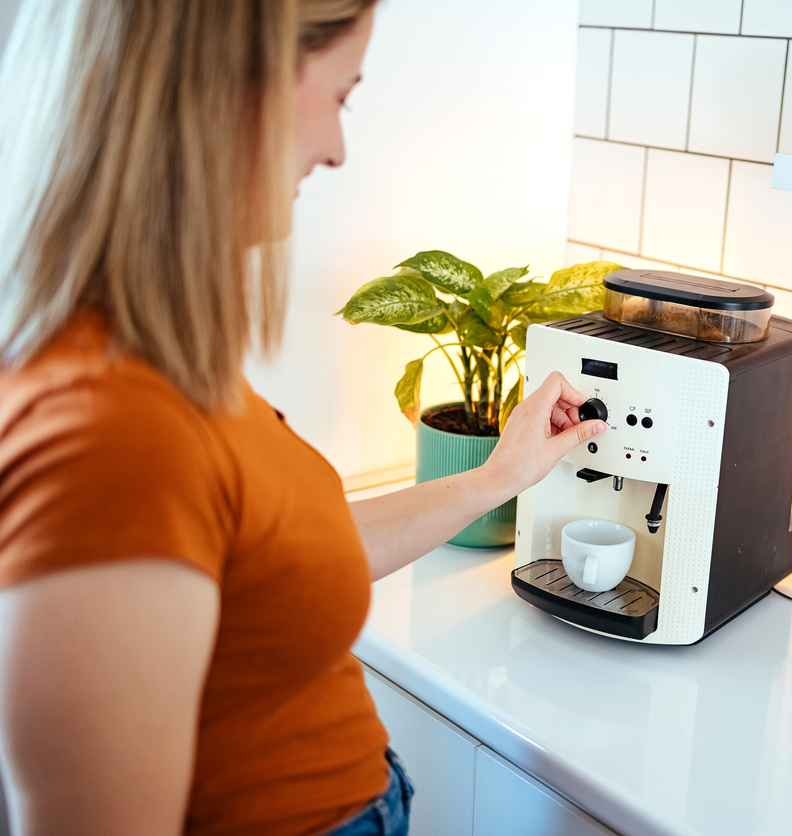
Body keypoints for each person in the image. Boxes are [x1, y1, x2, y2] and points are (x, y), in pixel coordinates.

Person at [0, 2, 605, 835]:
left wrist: (495, 479)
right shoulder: (111, 434)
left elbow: (271, 556)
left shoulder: (138, 356)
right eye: (341, 95)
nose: (336, 148)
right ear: (223, 91)